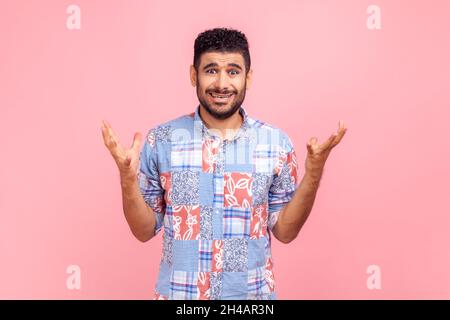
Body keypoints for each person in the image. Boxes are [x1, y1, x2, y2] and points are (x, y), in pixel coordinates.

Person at [101, 27, 347, 300]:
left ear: (248, 77)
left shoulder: (275, 143)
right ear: (193, 75)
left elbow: (285, 231)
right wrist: (126, 177)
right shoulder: (162, 140)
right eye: (210, 70)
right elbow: (143, 230)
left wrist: (313, 174)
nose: (221, 83)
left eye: (233, 71)